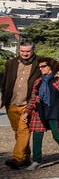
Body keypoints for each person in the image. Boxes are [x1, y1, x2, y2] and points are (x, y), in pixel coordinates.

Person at [25, 57, 59, 168]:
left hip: (55, 111)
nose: (40, 69)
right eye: (40, 67)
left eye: (43, 66)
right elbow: (33, 98)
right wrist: (26, 112)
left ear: (51, 67)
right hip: (39, 111)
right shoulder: (38, 82)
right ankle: (36, 161)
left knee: (57, 136)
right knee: (37, 136)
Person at [2, 38, 40, 169]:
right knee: (18, 132)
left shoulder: (39, 63)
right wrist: (3, 99)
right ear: (19, 50)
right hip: (11, 103)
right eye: (22, 51)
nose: (25, 54)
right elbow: (5, 81)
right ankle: (26, 158)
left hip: (28, 104)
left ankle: (17, 158)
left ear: (33, 50)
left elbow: (53, 67)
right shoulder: (11, 63)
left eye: (28, 51)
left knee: (23, 130)